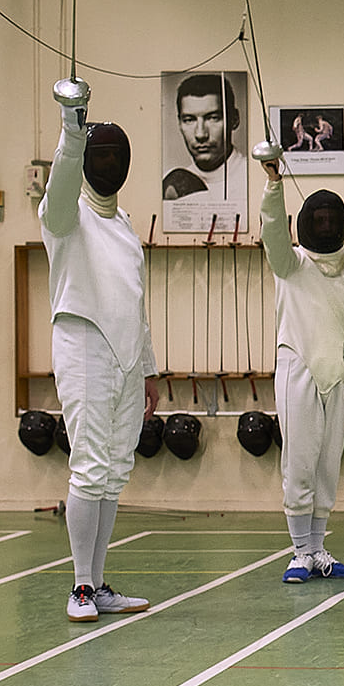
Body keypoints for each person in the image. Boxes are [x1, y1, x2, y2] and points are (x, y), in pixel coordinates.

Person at [41, 78, 159, 622]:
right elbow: (63, 185)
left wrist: (150, 371)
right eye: (99, 154)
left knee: (114, 470)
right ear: (87, 157)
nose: (108, 163)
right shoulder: (65, 216)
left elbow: (136, 305)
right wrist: (71, 127)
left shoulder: (128, 226)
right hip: (83, 345)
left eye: (117, 156)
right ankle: (81, 587)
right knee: (88, 468)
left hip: (127, 357)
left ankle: (100, 583)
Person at [255, 145, 344, 583]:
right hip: (297, 371)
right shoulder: (292, 265)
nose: (324, 225)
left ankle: (318, 550)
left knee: (326, 467)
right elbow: (272, 235)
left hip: (335, 380)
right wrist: (274, 184)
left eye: (329, 221)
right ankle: (299, 551)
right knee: (299, 463)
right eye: (317, 220)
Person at [162, 72, 246, 202]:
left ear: (234, 119)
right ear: (179, 123)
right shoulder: (171, 183)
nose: (200, 134)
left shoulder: (252, 177)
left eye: (213, 118)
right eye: (189, 120)